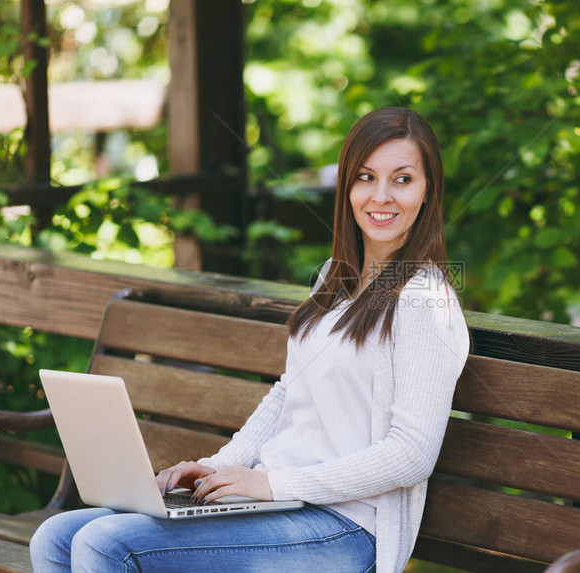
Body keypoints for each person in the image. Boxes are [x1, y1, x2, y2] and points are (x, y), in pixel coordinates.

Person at [29, 107, 470, 573]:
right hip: (279, 504)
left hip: (348, 527)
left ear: (427, 193)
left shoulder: (426, 300)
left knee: (106, 544)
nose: (381, 196)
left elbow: (411, 455)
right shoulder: (334, 278)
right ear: (347, 187)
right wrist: (218, 466)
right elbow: (288, 393)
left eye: (402, 179)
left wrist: (276, 484)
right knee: (55, 538)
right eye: (365, 177)